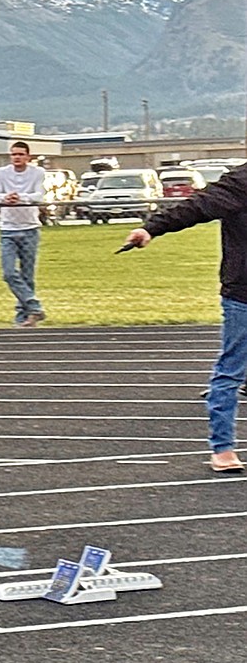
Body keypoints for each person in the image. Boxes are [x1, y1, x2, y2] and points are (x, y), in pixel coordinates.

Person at [126, 164, 247, 473]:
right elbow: (195, 207)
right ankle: (222, 449)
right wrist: (151, 228)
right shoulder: (239, 183)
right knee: (231, 370)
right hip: (244, 293)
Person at [0, 141, 47, 327]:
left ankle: (24, 318)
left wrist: (20, 197)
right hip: (8, 228)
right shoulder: (1, 173)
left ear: (28, 156)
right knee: (8, 272)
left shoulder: (37, 173)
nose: (17, 157)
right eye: (14, 154)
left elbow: (39, 195)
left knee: (27, 275)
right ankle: (34, 306)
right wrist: (5, 198)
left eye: (21, 154)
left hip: (30, 228)